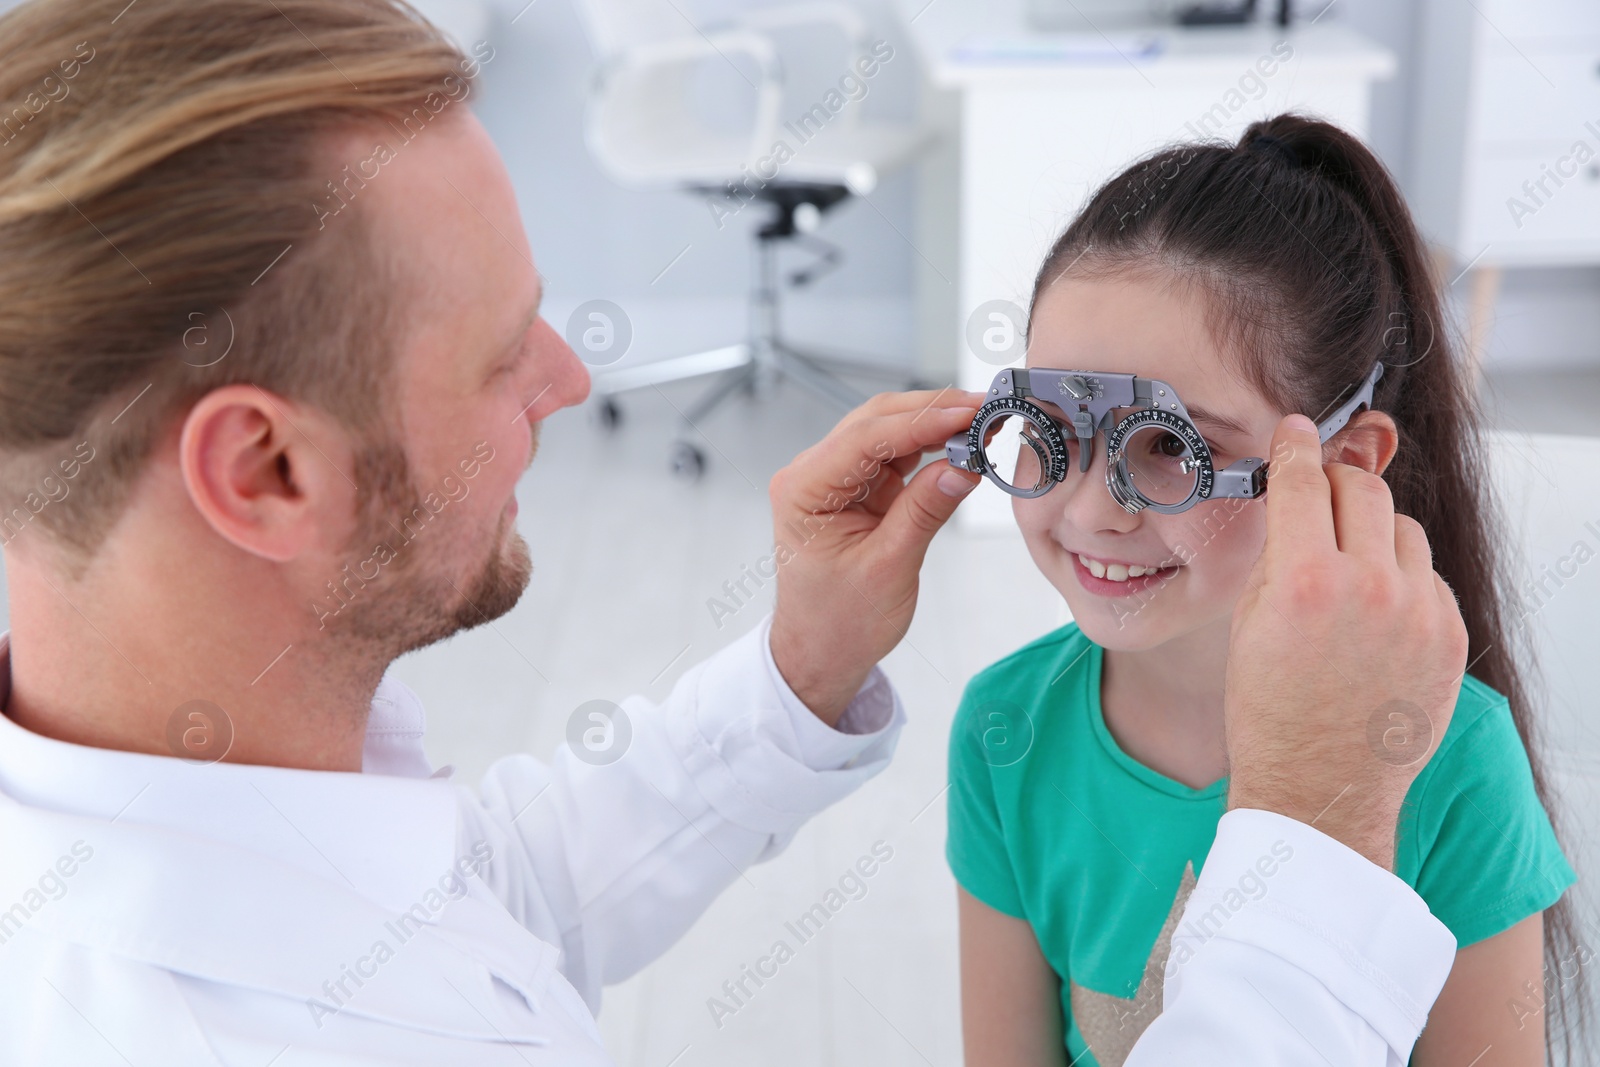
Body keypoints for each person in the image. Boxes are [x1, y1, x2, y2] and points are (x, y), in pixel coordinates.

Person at [0, 2, 1472, 1063]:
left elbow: (460, 894)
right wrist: (1319, 843)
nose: (571, 380)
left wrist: (797, 668)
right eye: (503, 349)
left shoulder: (185, 785)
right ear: (261, 468)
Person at [947, 115, 1581, 1067]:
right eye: (1048, 427)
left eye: (1168, 446)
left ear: (1344, 463)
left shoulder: (1451, 758)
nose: (1091, 509)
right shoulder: (1004, 726)